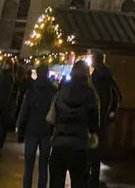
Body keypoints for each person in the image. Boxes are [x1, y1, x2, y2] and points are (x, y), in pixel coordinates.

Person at [49, 59, 100, 188]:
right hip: (79, 146)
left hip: (59, 144)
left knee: (56, 182)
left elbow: (53, 116)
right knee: (79, 182)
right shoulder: (90, 94)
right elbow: (94, 121)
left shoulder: (62, 91)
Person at [17, 65, 57, 188]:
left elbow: (24, 111)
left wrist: (20, 130)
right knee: (43, 164)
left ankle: (27, 186)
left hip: (31, 129)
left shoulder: (31, 89)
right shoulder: (53, 90)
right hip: (47, 130)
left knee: (29, 164)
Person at [88, 51, 121, 188]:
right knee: (96, 149)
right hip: (103, 119)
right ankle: (93, 179)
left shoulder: (96, 76)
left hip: (95, 119)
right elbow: (118, 96)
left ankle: (92, 179)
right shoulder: (107, 75)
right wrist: (111, 113)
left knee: (92, 149)